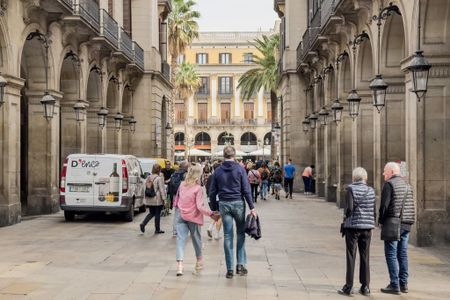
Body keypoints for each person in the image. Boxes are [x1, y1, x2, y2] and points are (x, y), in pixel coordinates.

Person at [209, 146, 257, 279]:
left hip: (224, 204)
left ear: (223, 156)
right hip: (238, 204)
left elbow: (212, 192)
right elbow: (246, 190)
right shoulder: (240, 169)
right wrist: (252, 207)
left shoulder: (217, 171)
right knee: (240, 234)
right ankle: (240, 265)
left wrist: (214, 208)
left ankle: (229, 269)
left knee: (228, 236)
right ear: (234, 156)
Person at [173, 163, 219, 276]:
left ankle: (180, 266)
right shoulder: (198, 189)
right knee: (196, 239)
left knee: (180, 240)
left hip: (180, 214)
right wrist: (211, 213)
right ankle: (199, 261)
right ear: (198, 176)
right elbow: (199, 206)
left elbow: (178, 198)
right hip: (193, 217)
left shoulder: (182, 184)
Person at [338, 167, 376, 297]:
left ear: (354, 178)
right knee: (365, 257)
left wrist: (345, 218)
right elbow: (373, 210)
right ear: (365, 178)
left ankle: (349, 287)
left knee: (351, 256)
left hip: (353, 228)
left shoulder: (350, 189)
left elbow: (348, 209)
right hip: (367, 228)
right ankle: (365, 287)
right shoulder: (371, 191)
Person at [379, 162, 415, 295]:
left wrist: (381, 221)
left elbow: (384, 206)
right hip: (406, 223)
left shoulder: (389, 185)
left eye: (385, 171)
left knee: (391, 254)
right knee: (403, 253)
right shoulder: (407, 184)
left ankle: (394, 284)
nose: (383, 173)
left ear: (392, 172)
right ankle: (403, 284)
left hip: (393, 223)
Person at [140, 164, 166, 234]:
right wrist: (164, 199)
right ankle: (157, 229)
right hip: (157, 199)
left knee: (151, 213)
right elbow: (161, 190)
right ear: (159, 170)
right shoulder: (159, 178)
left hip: (149, 198)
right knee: (157, 214)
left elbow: (145, 188)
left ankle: (143, 223)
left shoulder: (148, 177)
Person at [169, 161, 189, 236]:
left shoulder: (174, 173)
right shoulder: (185, 174)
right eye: (187, 166)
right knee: (185, 214)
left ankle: (175, 230)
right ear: (185, 167)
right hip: (184, 197)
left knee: (177, 214)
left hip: (176, 196)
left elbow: (171, 186)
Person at [206, 162, 223, 240]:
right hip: (218, 198)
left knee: (215, 213)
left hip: (210, 198)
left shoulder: (210, 177)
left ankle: (210, 227)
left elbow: (207, 187)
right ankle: (217, 234)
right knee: (220, 216)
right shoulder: (221, 176)